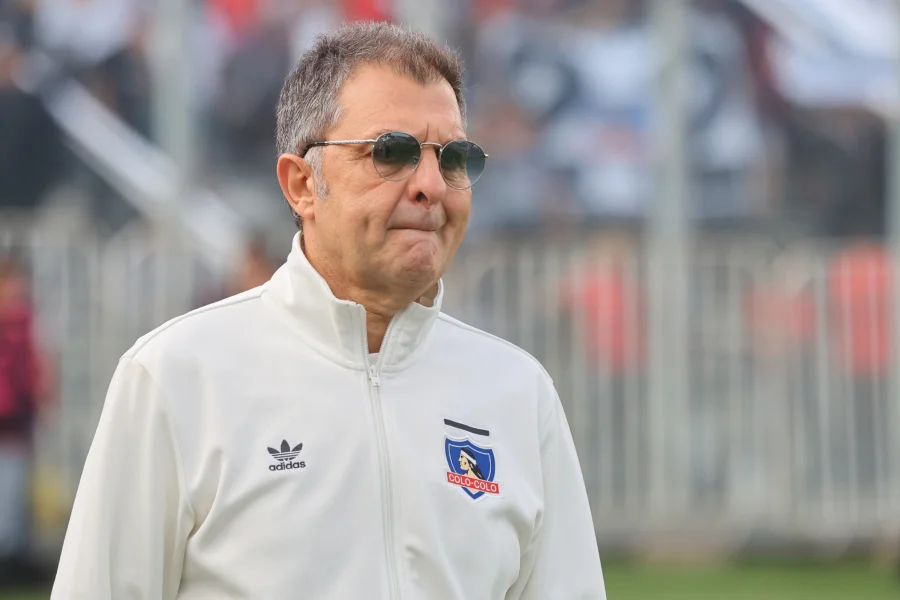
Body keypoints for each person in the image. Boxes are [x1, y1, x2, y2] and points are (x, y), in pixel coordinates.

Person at [52, 22, 605, 599]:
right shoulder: (176, 376)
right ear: (301, 185)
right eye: (392, 152)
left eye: (454, 158)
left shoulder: (519, 393)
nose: (431, 186)